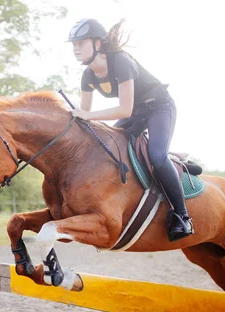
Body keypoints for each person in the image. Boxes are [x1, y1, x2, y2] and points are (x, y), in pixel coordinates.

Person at [68, 18, 193, 241]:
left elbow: (124, 110)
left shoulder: (121, 62)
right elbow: (83, 115)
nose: (76, 48)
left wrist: (87, 115)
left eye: (81, 42)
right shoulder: (87, 74)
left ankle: (183, 216)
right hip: (137, 111)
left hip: (159, 106)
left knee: (156, 156)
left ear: (98, 43)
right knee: (110, 147)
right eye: (74, 44)